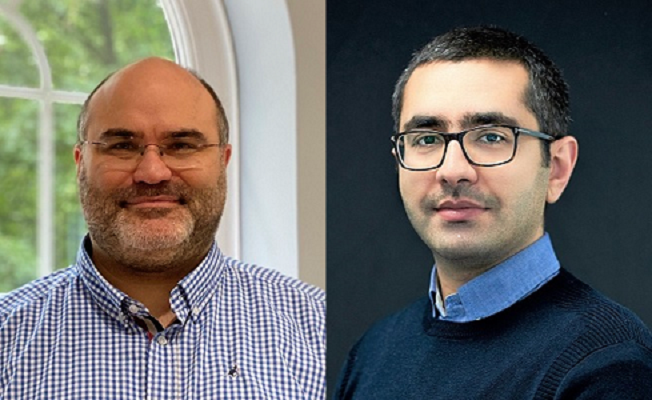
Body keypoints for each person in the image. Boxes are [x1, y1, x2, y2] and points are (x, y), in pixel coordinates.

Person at [334, 26, 652, 399]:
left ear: (557, 168)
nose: (452, 170)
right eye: (426, 139)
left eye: (490, 136)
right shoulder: (372, 353)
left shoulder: (609, 366)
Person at [0, 57, 325, 399]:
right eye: (122, 146)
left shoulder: (318, 330)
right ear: (81, 164)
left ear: (223, 162)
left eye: (182, 145)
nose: (152, 172)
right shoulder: (8, 339)